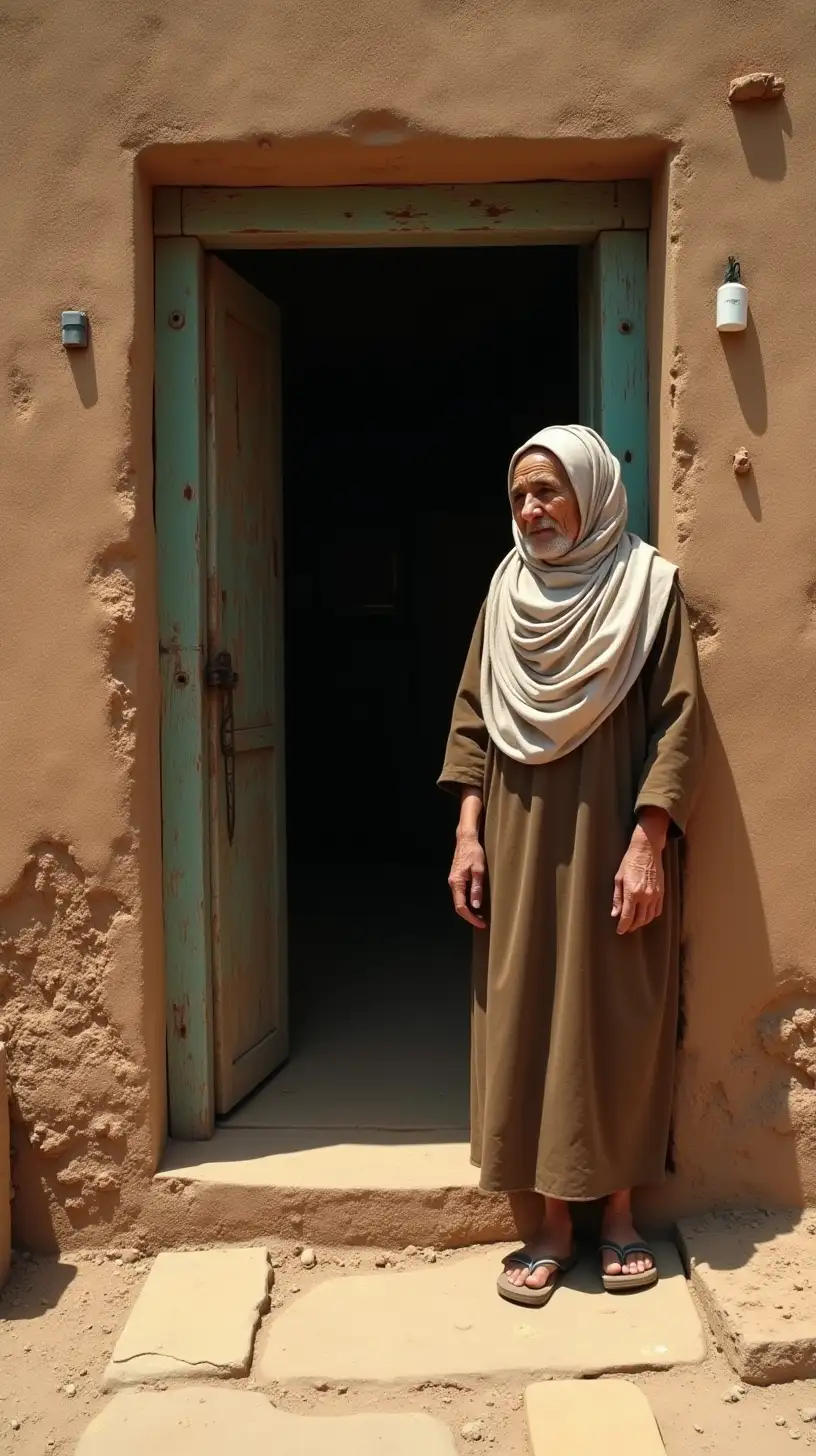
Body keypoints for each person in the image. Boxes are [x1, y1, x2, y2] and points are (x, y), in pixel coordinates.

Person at [439, 425, 703, 1308]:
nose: (532, 510)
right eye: (519, 495)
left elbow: (677, 723)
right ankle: (551, 1228)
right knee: (529, 1012)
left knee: (615, 1012)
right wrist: (468, 833)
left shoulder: (648, 590)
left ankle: (619, 1217)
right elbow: (474, 716)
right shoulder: (506, 592)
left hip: (613, 835)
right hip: (516, 838)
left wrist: (648, 844)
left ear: (590, 491)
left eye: (547, 490)